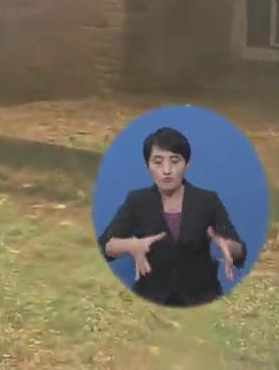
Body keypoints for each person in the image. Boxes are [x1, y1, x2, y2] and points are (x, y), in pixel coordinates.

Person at [97, 126, 246, 307]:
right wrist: (130, 245)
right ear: (147, 167)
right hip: (150, 300)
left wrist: (227, 246)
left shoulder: (208, 200)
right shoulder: (138, 201)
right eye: (157, 162)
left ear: (187, 165)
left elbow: (239, 250)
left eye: (175, 161)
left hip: (202, 299)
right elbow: (106, 245)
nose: (166, 170)